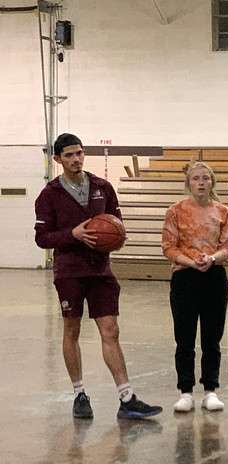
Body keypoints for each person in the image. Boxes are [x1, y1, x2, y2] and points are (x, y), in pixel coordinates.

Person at [34, 133, 163, 420]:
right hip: (69, 271)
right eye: (69, 155)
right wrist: (73, 234)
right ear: (57, 159)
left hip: (100, 270)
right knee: (72, 330)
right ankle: (80, 393)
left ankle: (126, 398)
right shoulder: (49, 194)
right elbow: (42, 238)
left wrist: (116, 238)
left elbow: (116, 225)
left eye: (79, 153)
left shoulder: (103, 187)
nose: (76, 158)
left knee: (111, 330)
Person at [162, 161, 228, 413]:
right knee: (184, 337)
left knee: (212, 338)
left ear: (212, 182)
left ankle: (210, 389)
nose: (201, 182)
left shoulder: (223, 212)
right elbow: (169, 247)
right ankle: (185, 390)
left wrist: (212, 258)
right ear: (188, 183)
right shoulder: (175, 211)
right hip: (184, 277)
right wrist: (191, 262)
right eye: (196, 178)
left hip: (213, 276)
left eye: (205, 178)